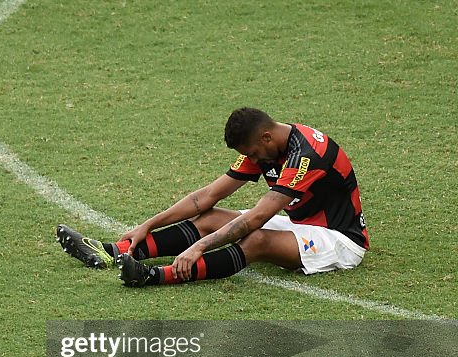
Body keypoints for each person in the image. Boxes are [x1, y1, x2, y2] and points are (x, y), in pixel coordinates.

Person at [57, 107, 368, 286]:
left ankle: (155, 276)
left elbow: (259, 217)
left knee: (256, 239)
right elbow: (205, 198)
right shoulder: (266, 146)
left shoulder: (308, 156)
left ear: (266, 137)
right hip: (301, 226)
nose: (254, 160)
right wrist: (147, 225)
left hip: (338, 241)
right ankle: (114, 251)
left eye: (253, 153)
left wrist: (199, 247)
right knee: (209, 217)